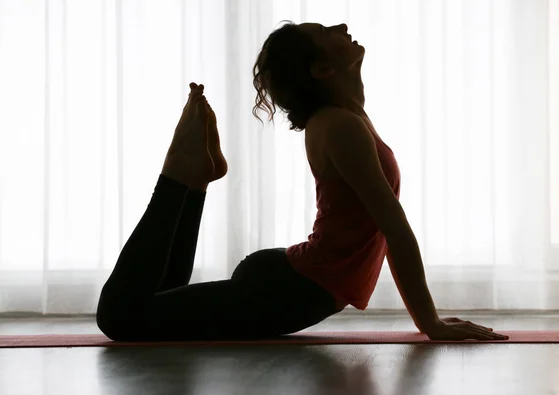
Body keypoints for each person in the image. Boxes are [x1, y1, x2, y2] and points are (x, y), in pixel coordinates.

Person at [96, 21, 509, 342]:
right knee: (122, 319)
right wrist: (429, 322)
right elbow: (394, 229)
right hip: (291, 291)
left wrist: (429, 320)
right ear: (322, 68)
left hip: (292, 279)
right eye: (325, 32)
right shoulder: (339, 125)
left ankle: (193, 181)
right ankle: (179, 179)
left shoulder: (348, 118)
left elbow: (385, 230)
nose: (340, 29)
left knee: (154, 306)